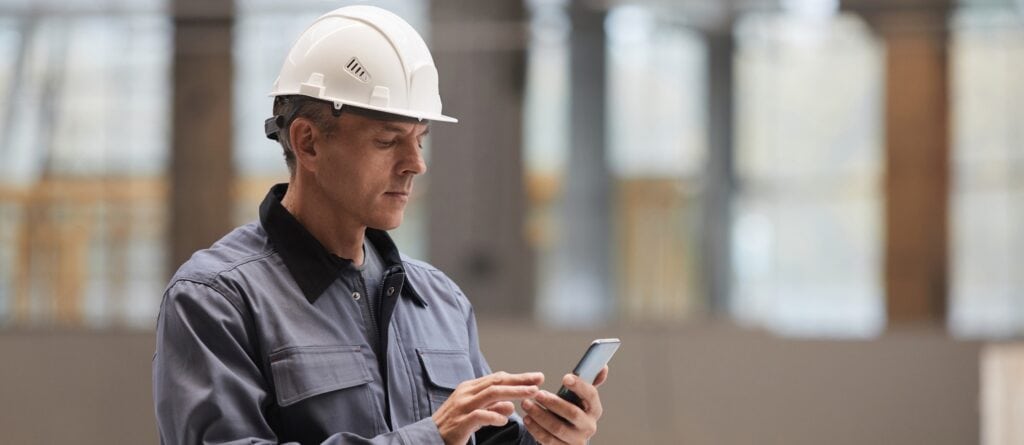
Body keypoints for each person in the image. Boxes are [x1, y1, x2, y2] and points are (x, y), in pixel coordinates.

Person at [152, 6, 609, 444]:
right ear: (308, 143)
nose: (416, 164)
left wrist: (550, 439)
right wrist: (429, 438)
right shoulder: (217, 301)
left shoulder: (440, 301)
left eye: (420, 140)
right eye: (389, 141)